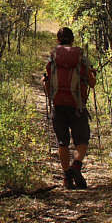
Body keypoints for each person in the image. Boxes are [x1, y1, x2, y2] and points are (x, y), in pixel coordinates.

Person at [42, 27, 94, 190]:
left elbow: (47, 82)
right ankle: (76, 166)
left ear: (58, 40)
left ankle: (67, 177)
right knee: (82, 140)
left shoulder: (53, 57)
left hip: (58, 105)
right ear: (72, 39)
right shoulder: (81, 58)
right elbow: (92, 83)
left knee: (62, 142)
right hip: (77, 105)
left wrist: (50, 95)